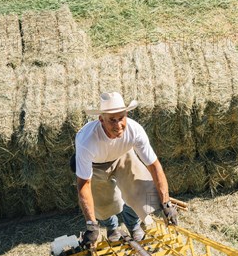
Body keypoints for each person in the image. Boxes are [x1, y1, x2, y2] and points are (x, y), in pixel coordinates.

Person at [74, 91, 178, 247]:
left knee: (138, 190)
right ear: (101, 119)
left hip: (122, 155)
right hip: (96, 164)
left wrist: (166, 203)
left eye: (121, 118)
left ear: (126, 114)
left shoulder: (135, 131)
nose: (118, 125)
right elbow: (83, 184)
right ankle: (111, 227)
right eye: (112, 120)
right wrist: (91, 224)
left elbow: (154, 165)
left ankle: (133, 225)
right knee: (104, 202)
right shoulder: (87, 140)